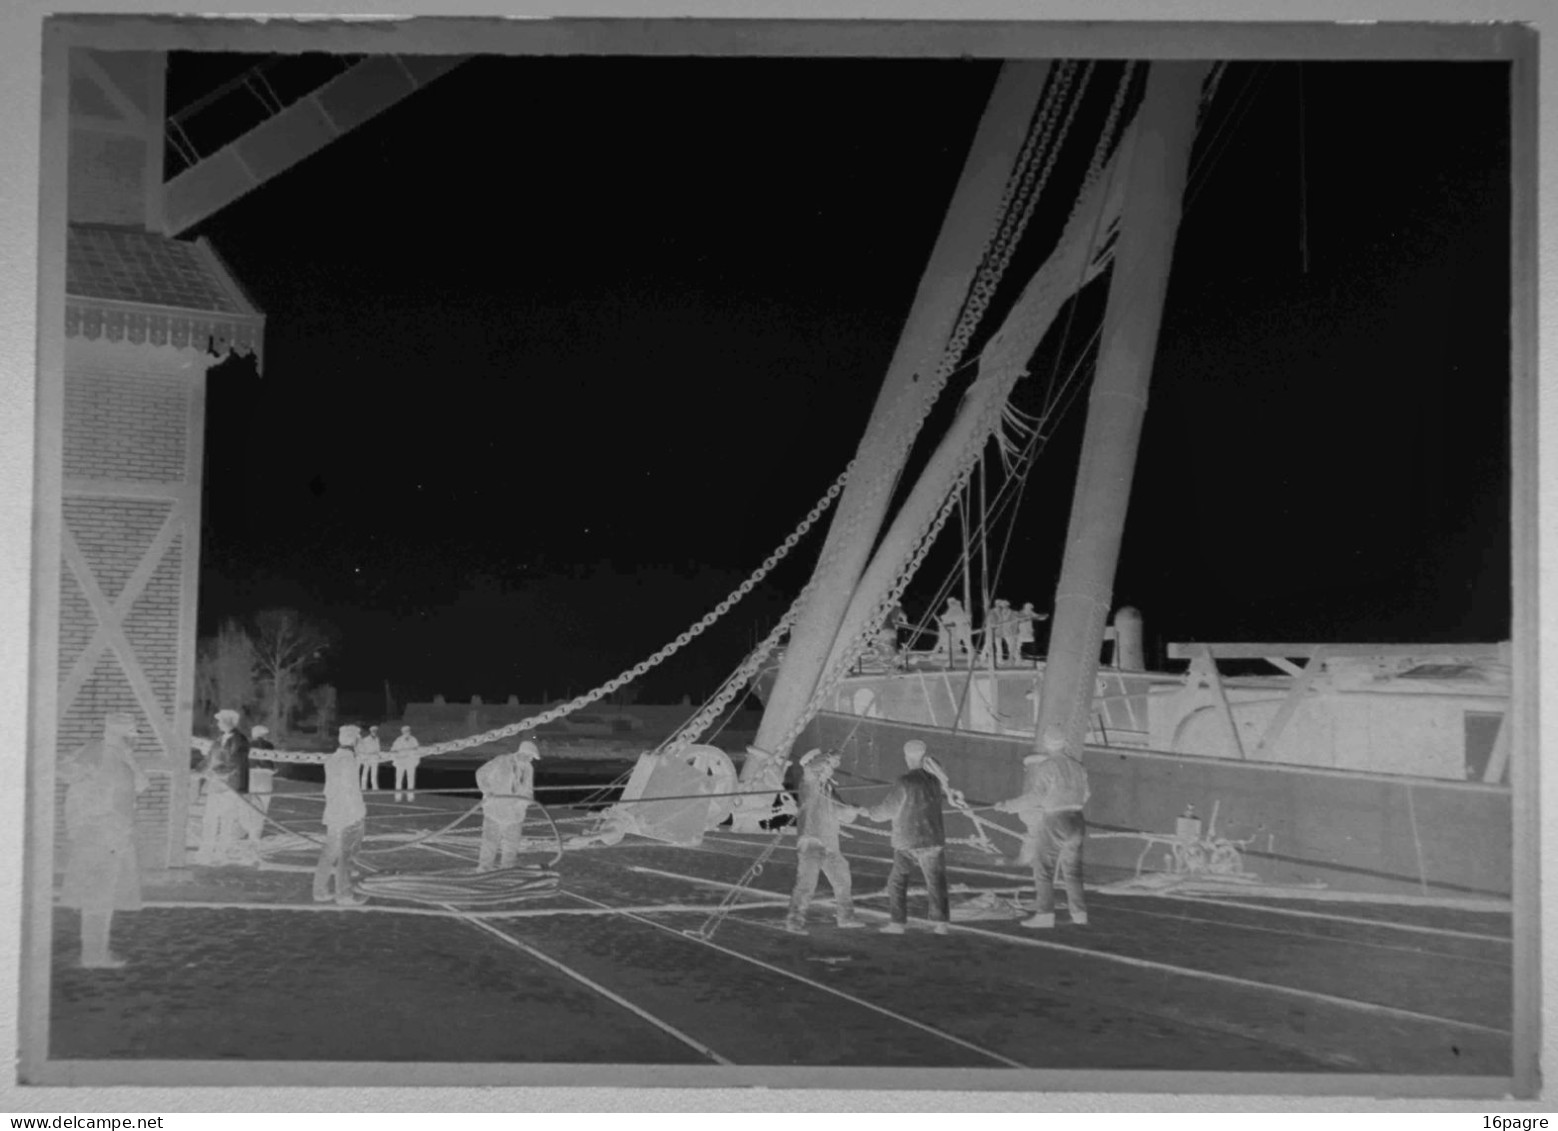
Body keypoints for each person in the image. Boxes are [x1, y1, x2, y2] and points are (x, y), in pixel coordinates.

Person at [59, 713, 148, 968]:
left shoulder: (123, 757)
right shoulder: (94, 752)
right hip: (98, 832)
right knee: (97, 894)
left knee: (106, 894)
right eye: (129, 735)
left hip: (117, 833)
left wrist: (130, 759)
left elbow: (140, 785)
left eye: (133, 736)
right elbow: (67, 775)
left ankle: (98, 952)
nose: (134, 740)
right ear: (115, 733)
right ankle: (93, 955)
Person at [994, 730, 1090, 928]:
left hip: (1056, 818)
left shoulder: (1047, 766)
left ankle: (1045, 915)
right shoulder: (1078, 767)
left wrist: (1008, 805)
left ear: (1047, 744)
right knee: (1073, 869)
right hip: (1078, 818)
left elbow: (1036, 797)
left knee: (1044, 867)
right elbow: (1086, 794)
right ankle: (1079, 913)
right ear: (1065, 743)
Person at [861, 739, 951, 935]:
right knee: (936, 880)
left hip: (909, 840)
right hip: (934, 838)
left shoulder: (905, 781)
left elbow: (887, 810)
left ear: (906, 757)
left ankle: (898, 923)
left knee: (898, 881)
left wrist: (868, 812)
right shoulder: (935, 780)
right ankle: (941, 922)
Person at [785, 749, 867, 935]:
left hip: (830, 843)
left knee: (842, 878)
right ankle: (794, 921)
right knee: (807, 883)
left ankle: (846, 917)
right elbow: (812, 769)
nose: (831, 770)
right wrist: (828, 757)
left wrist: (853, 810)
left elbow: (844, 815)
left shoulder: (830, 790)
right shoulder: (809, 783)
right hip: (812, 841)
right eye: (827, 766)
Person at [314, 725, 368, 905]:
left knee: (329, 852)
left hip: (333, 813)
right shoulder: (349, 761)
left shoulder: (332, 759)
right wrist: (358, 813)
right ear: (354, 741)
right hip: (349, 814)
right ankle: (344, 894)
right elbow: (350, 789)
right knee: (348, 854)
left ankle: (320, 891)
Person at [194, 708, 251, 866]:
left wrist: (216, 773)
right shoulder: (219, 739)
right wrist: (197, 771)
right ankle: (205, 852)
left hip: (231, 787)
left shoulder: (240, 740)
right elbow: (209, 759)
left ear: (229, 722)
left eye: (220, 720)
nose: (217, 723)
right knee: (209, 819)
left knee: (226, 821)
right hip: (215, 786)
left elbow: (235, 763)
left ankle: (221, 854)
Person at [475, 739, 539, 872]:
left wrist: (526, 801)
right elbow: (481, 773)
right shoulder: (501, 761)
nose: (530, 760)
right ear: (522, 753)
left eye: (531, 758)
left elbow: (528, 789)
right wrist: (487, 790)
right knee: (490, 842)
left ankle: (507, 870)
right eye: (529, 756)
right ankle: (484, 869)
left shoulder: (528, 768)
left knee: (511, 845)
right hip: (495, 810)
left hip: (515, 814)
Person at [241, 725, 276, 849]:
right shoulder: (270, 746)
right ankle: (255, 836)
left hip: (251, 776)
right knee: (262, 806)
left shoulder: (247, 745)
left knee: (249, 805)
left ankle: (247, 831)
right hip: (265, 777)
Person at [390, 725, 422, 802]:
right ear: (402, 732)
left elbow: (418, 751)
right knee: (399, 780)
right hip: (400, 763)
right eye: (405, 731)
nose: (407, 732)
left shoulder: (414, 740)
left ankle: (410, 796)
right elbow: (393, 751)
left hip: (410, 762)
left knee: (410, 779)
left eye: (408, 731)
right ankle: (398, 797)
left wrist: (416, 761)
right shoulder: (398, 740)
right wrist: (396, 759)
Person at [938, 598, 973, 664]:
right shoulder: (957, 608)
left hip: (960, 630)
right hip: (961, 630)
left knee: (962, 645)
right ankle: (972, 660)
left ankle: (951, 662)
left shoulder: (955, 609)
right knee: (966, 645)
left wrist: (943, 619)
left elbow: (950, 618)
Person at [356, 724, 382, 791]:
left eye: (375, 731)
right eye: (373, 731)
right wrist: (364, 756)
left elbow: (378, 748)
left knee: (374, 773)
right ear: (371, 731)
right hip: (367, 757)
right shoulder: (366, 739)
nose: (374, 732)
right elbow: (363, 749)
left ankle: (375, 787)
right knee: (365, 772)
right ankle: (363, 787)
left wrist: (379, 755)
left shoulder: (377, 739)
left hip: (375, 757)